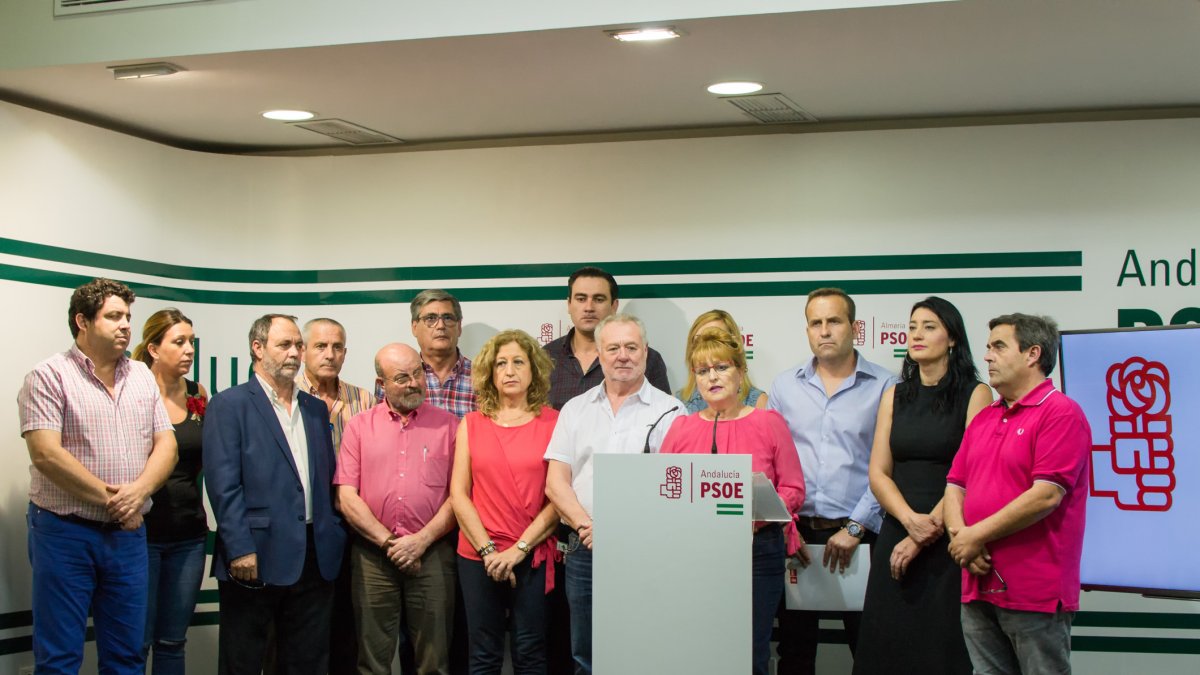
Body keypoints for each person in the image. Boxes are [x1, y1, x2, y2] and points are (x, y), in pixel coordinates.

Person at [18, 278, 177, 674]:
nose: (126, 325)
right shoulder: (49, 375)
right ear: (82, 321)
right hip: (65, 532)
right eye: (114, 316)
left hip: (127, 536)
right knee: (59, 659)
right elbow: (46, 454)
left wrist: (138, 493)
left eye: (128, 317)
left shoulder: (141, 375)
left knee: (127, 656)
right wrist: (119, 501)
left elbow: (167, 446)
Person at [852, 297, 992, 675]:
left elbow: (971, 472)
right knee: (886, 646)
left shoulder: (976, 394)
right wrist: (909, 522)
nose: (917, 334)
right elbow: (879, 473)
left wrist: (925, 531)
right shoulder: (894, 394)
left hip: (948, 534)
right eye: (913, 326)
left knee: (939, 649)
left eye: (929, 327)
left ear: (952, 338)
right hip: (897, 529)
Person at [945, 314, 1091, 674]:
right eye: (987, 347)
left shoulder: (1061, 413)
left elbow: (1046, 496)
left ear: (1032, 354)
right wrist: (962, 539)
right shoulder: (985, 418)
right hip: (977, 583)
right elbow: (955, 485)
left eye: (999, 346)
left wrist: (974, 536)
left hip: (1034, 592)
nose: (987, 356)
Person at [203, 314, 347, 675]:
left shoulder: (314, 409)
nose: (295, 353)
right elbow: (223, 485)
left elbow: (324, 478)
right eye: (284, 345)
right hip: (255, 555)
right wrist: (240, 547)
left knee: (308, 662)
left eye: (298, 345)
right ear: (258, 348)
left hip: (315, 557)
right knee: (243, 662)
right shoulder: (229, 404)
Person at [544, 313, 686, 675]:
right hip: (584, 547)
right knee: (586, 653)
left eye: (631, 347)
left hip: (648, 550)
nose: (623, 355)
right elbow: (556, 483)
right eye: (613, 348)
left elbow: (677, 489)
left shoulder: (672, 411)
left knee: (644, 648)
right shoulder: (575, 410)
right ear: (600, 353)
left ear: (645, 352)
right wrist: (586, 526)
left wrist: (620, 531)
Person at [660, 328, 805, 675]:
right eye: (703, 371)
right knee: (698, 650)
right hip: (694, 554)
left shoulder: (768, 422)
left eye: (721, 367)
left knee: (749, 652)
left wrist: (756, 513)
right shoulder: (681, 428)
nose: (712, 377)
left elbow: (794, 488)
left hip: (757, 551)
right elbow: (662, 490)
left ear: (741, 372)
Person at [767, 287, 898, 675]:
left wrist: (856, 528)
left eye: (834, 321)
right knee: (795, 653)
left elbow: (890, 465)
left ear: (855, 328)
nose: (824, 331)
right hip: (797, 538)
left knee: (869, 651)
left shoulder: (886, 386)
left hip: (861, 537)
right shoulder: (784, 386)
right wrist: (786, 527)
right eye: (816, 323)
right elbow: (771, 463)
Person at [335, 343, 459, 675]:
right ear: (382, 384)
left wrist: (420, 541)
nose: (413, 383)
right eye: (402, 377)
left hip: (433, 553)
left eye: (417, 373)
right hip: (373, 556)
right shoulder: (359, 426)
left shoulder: (449, 426)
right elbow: (346, 496)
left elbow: (459, 496)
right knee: (372, 661)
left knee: (434, 661)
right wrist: (390, 543)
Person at [450, 330, 560, 675]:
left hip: (532, 552)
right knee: (483, 653)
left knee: (530, 651)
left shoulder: (555, 423)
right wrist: (488, 552)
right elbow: (458, 494)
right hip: (478, 556)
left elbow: (558, 498)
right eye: (501, 364)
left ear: (534, 370)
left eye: (518, 362)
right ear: (490, 373)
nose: (509, 371)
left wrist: (519, 550)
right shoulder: (471, 424)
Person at [132, 308, 211, 675]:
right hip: (141, 535)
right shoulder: (133, 391)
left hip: (188, 536)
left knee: (172, 642)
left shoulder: (197, 393)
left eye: (191, 341)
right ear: (153, 348)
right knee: (136, 642)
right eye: (179, 342)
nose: (189, 349)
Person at [295, 317, 374, 675]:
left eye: (337, 347)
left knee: (347, 628)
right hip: (303, 529)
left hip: (352, 528)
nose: (330, 354)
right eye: (320, 346)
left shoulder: (364, 399)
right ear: (303, 351)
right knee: (299, 635)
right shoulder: (287, 396)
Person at [544, 266, 670, 410]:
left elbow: (663, 413)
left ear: (614, 306)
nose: (589, 307)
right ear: (569, 304)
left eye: (598, 299)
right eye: (581, 299)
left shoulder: (647, 359)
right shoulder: (544, 357)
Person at [677, 309, 767, 413]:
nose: (708, 347)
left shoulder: (759, 403)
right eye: (700, 340)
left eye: (717, 339)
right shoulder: (678, 404)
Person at [410, 289, 477, 419]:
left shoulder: (483, 377)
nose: (440, 326)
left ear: (459, 327)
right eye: (430, 318)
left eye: (448, 318)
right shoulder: (399, 380)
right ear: (414, 327)